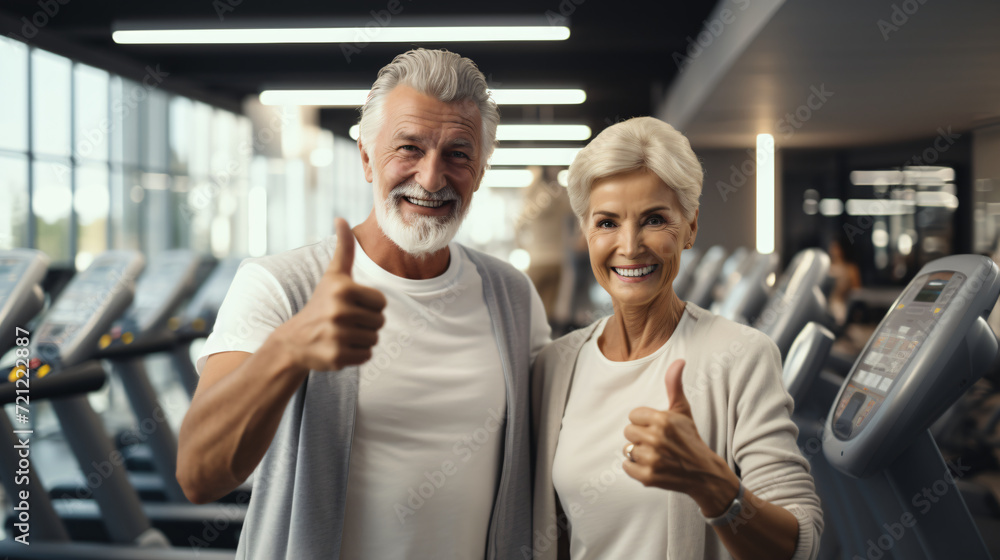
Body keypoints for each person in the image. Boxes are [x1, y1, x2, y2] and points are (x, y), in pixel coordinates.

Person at [177, 48, 551, 559]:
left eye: (458, 154)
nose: (431, 177)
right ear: (367, 158)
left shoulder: (511, 295)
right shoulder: (278, 285)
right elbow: (200, 474)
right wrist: (288, 350)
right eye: (409, 148)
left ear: (481, 171)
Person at [530, 117, 823, 560]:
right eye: (607, 223)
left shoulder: (741, 356)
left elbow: (799, 544)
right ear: (585, 233)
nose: (629, 246)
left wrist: (711, 483)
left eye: (653, 220)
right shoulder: (554, 367)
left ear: (690, 228)